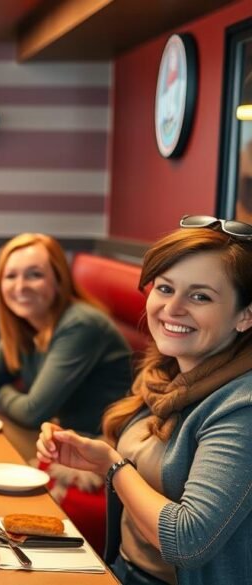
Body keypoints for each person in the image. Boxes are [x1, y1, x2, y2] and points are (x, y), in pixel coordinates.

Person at [37, 217, 252, 585]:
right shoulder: (164, 374)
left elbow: (186, 541)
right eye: (165, 288)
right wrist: (94, 455)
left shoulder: (241, 407)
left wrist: (113, 466)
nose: (173, 308)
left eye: (200, 296)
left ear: (245, 315)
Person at [0, 233, 132, 435]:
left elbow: (32, 413)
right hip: (59, 438)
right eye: (10, 276)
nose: (20, 286)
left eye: (35, 275)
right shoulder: (26, 323)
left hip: (97, 446)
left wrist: (1, 390)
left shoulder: (81, 324)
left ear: (59, 279)